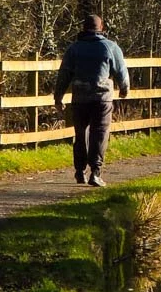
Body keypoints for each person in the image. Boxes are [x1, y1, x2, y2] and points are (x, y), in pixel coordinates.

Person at [53, 14, 129, 186]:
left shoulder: (74, 49)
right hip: (102, 98)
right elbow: (121, 71)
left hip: (80, 97)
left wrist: (58, 96)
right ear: (101, 28)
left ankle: (80, 171)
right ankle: (95, 172)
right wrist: (124, 89)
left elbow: (64, 74)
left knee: (80, 134)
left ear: (84, 28)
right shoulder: (110, 47)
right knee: (99, 134)